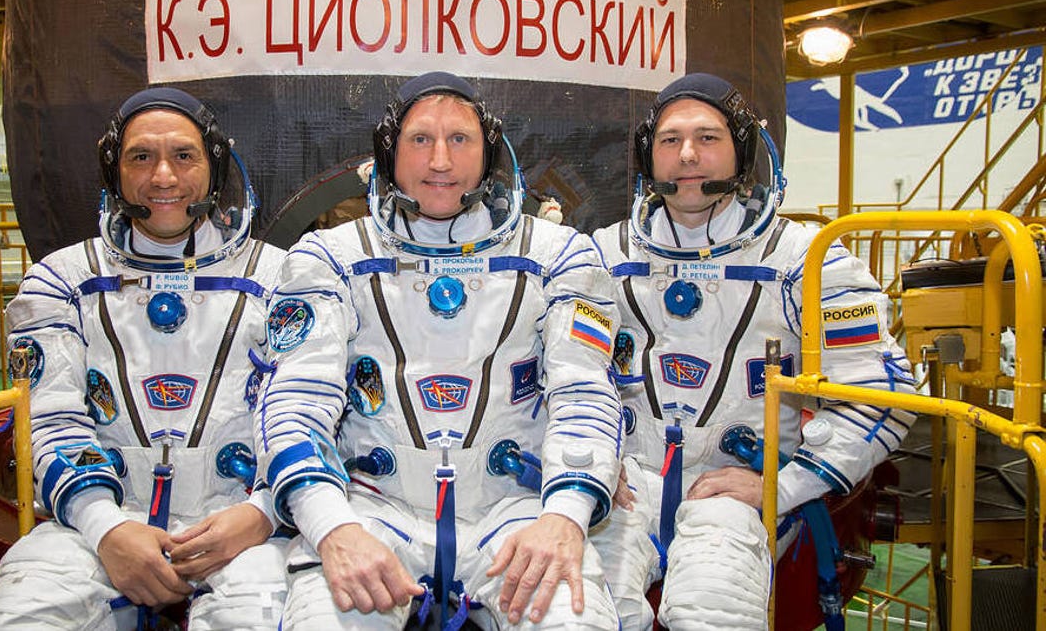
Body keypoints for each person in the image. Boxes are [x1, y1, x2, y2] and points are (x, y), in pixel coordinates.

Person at [255, 71, 622, 630]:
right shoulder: (328, 257)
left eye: (460, 140)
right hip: (374, 511)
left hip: (514, 513)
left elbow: (585, 393)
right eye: (420, 140)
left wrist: (565, 516)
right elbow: (295, 403)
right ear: (389, 154)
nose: (441, 161)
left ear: (489, 153)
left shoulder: (559, 255)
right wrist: (333, 527)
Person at [590, 73, 917, 630]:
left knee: (711, 609)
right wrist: (594, 467)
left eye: (708, 138)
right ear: (648, 155)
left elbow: (881, 395)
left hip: (740, 493)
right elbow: (560, 378)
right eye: (670, 141)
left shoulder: (809, 263)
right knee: (582, 610)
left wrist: (783, 485)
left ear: (743, 149)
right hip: (628, 486)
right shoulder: (602, 255)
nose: (688, 155)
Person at [0, 87, 288, 630]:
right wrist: (106, 527)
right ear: (114, 171)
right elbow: (48, 421)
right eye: (141, 157)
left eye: (184, 156)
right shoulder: (61, 280)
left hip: (243, 528)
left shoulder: (283, 278)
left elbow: (317, 415)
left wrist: (262, 514)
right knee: (18, 617)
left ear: (215, 166)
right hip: (97, 526)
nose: (163, 177)